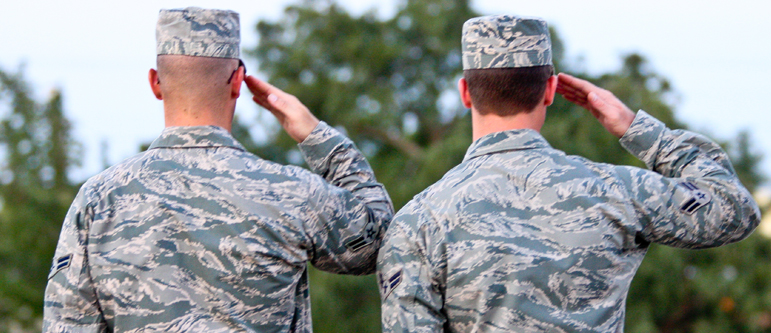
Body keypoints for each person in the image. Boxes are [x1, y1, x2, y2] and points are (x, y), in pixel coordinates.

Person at [377, 15, 760, 332]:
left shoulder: (418, 222)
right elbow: (734, 208)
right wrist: (637, 130)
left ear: (465, 92)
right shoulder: (614, 190)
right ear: (550, 90)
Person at [43, 7, 393, 332]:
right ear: (239, 81)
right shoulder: (289, 192)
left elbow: (67, 324)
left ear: (155, 82)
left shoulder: (99, 200)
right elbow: (381, 241)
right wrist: (317, 137)